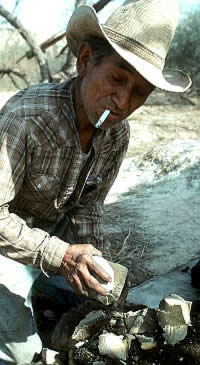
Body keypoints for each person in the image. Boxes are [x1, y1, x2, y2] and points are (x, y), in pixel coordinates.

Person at [0, 0, 191, 363]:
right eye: (117, 79)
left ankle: (43, 294)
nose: (122, 102)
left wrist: (93, 260)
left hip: (49, 234)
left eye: (140, 93)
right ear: (85, 60)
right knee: (22, 355)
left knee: (98, 296)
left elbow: (87, 206)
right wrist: (63, 256)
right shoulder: (26, 118)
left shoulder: (116, 135)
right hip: (4, 239)